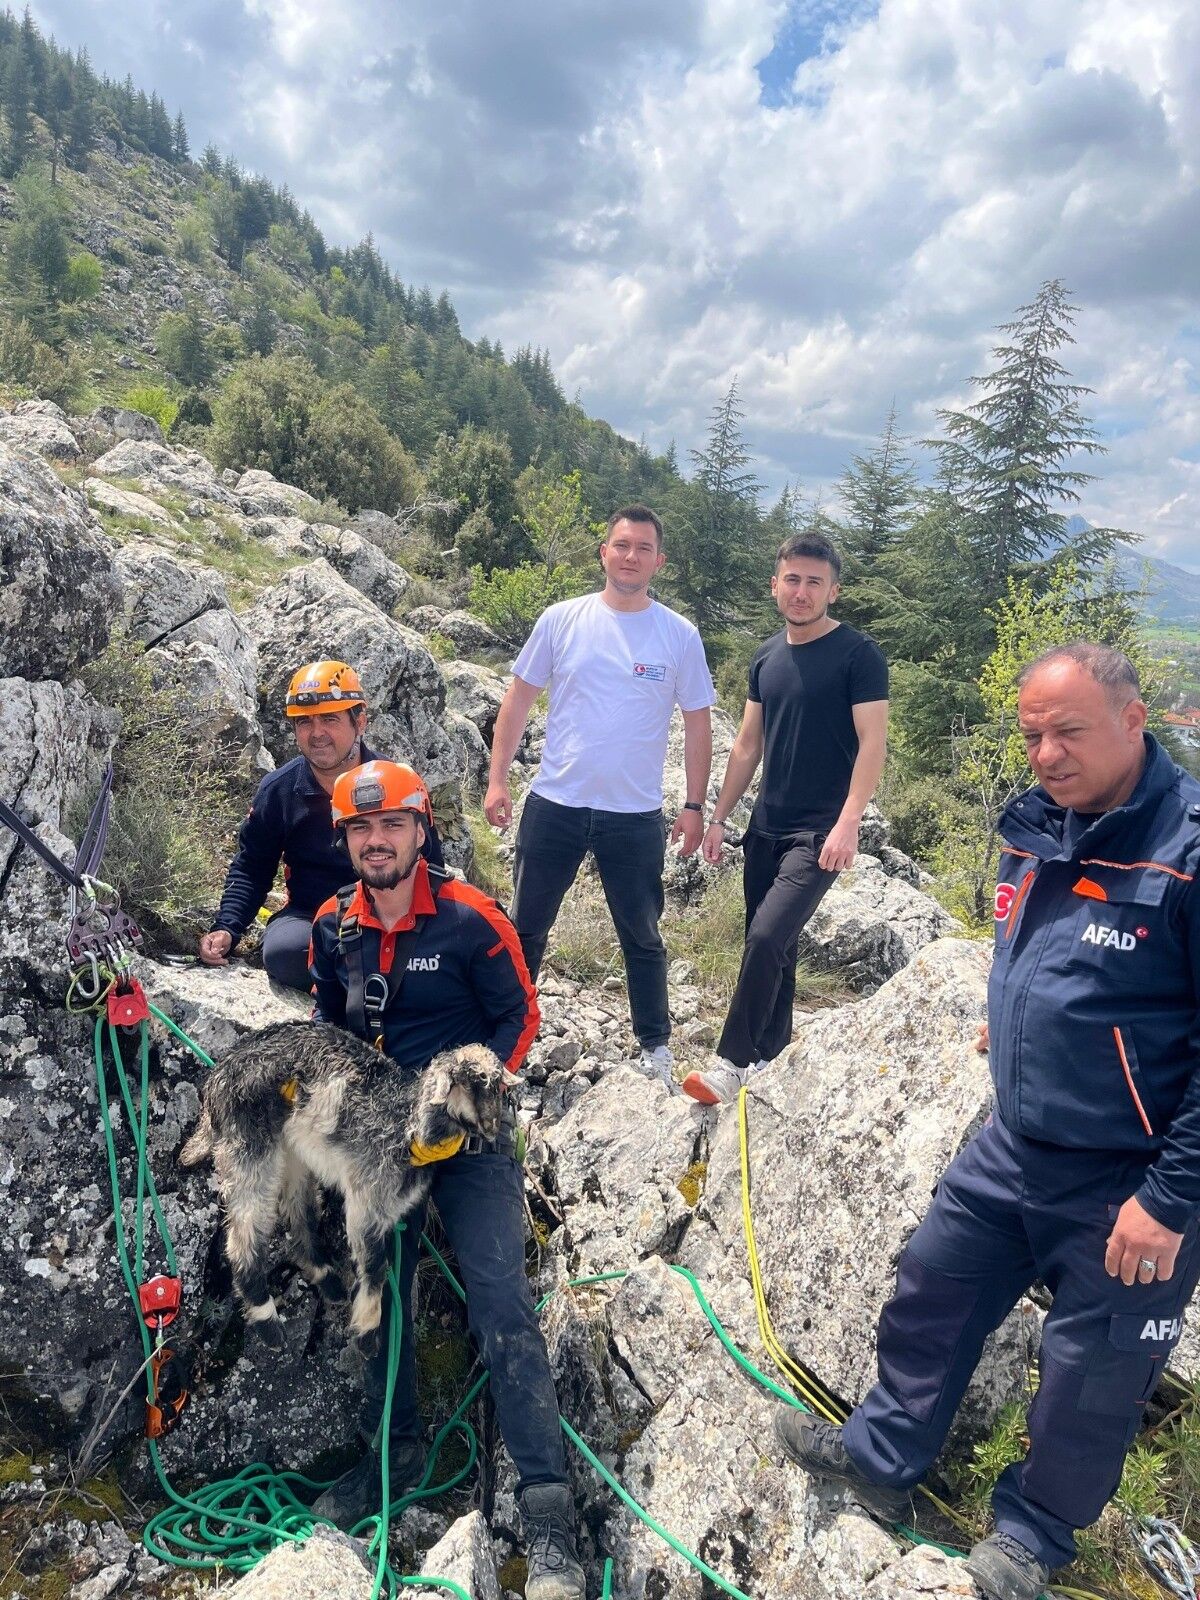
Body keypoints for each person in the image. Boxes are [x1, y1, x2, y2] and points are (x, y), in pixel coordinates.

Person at [774, 643, 1200, 1600]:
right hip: (1014, 1144)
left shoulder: (1187, 853)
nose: (1046, 753)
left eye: (1069, 730)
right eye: (1033, 733)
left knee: (1091, 1374)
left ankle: (1033, 1537)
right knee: (930, 1288)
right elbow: (1046, 950)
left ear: (1135, 720)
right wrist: (1015, 1021)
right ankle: (881, 1459)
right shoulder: (1037, 825)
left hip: (1133, 1179)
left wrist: (1169, 1202)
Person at [308, 760, 585, 1600]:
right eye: (360, 830)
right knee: (374, 1290)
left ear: (420, 832)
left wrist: (472, 1092)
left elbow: (521, 1014)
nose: (376, 841)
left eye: (391, 825)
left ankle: (547, 1509)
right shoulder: (333, 926)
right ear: (347, 842)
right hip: (381, 1146)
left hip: (471, 1141)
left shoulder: (470, 919)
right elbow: (329, 1022)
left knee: (499, 1295)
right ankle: (395, 1451)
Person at [485, 504, 715, 1088]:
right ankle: (508, 1038)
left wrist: (694, 805)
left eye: (643, 548)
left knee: (641, 935)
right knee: (526, 927)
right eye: (621, 545)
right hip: (555, 803)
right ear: (603, 553)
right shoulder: (563, 619)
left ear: (658, 561)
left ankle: (655, 1049)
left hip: (634, 816)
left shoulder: (678, 635)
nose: (631, 556)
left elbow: (697, 723)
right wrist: (497, 779)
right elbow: (516, 704)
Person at [681, 531, 888, 1104]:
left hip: (819, 832)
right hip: (765, 828)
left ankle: (728, 1061)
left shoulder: (858, 656)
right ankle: (772, 1056)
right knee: (776, 944)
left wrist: (850, 822)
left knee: (768, 937)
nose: (801, 591)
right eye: (792, 579)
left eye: (814, 582)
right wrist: (720, 816)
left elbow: (873, 744)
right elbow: (748, 745)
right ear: (775, 584)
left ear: (833, 591)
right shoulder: (767, 656)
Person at [199, 660, 442, 991]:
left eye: (330, 719)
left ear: (360, 721)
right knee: (285, 953)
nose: (316, 734)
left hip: (391, 914)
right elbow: (252, 866)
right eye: (304, 722)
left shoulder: (398, 784)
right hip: (310, 916)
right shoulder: (280, 790)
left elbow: (430, 864)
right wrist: (227, 927)